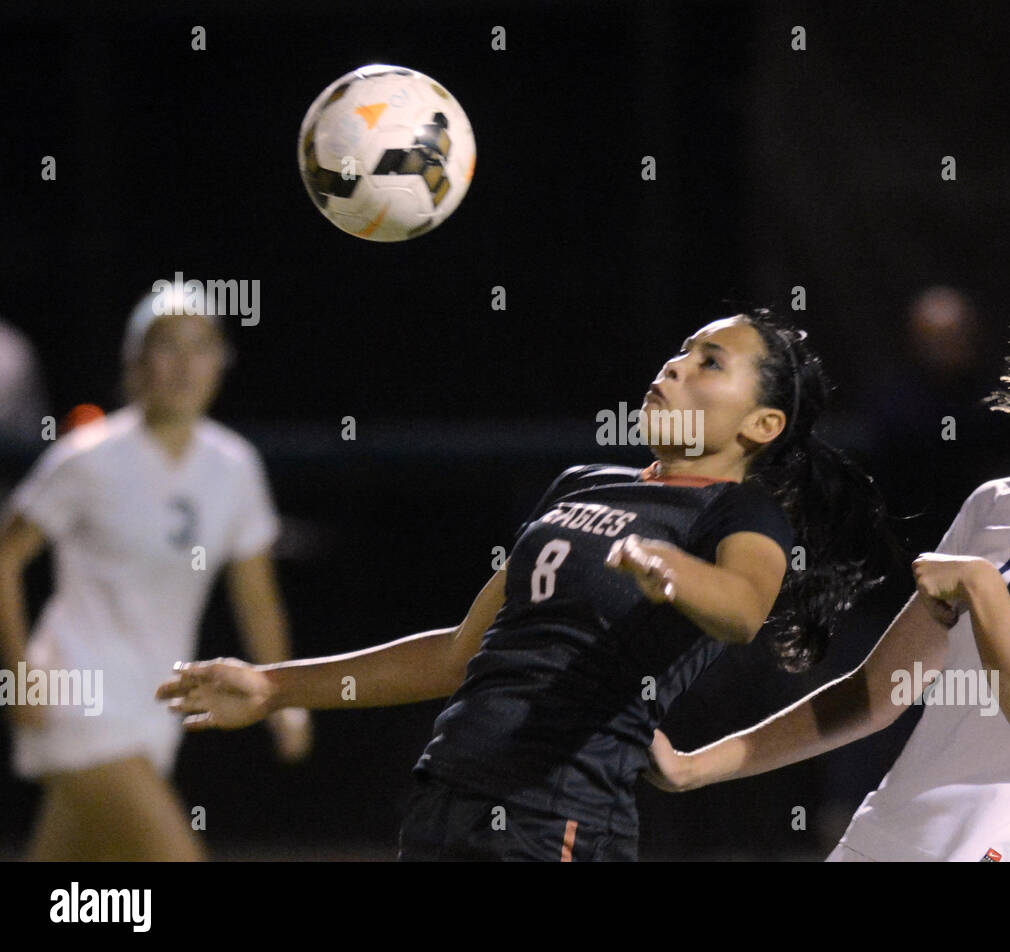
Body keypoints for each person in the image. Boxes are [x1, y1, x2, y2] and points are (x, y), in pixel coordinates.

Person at [156, 308, 901, 861]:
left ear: (764, 424)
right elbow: (456, 655)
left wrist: (670, 571)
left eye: (710, 362)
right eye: (679, 352)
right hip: (446, 798)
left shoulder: (742, 513)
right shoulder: (583, 483)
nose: (674, 367)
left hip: (558, 817)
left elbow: (741, 611)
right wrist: (270, 687)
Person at [647, 256, 1010, 862]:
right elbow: (876, 691)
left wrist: (985, 591)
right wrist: (694, 767)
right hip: (880, 839)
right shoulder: (997, 505)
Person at [0, 284, 311, 861]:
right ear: (135, 361)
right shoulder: (85, 456)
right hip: (78, 701)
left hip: (154, 713)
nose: (185, 364)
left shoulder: (234, 466)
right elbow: (3, 558)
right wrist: (19, 676)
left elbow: (255, 596)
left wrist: (283, 696)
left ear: (221, 361)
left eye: (201, 346)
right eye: (167, 345)